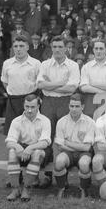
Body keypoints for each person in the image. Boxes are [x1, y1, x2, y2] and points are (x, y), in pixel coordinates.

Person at [37, 35, 81, 188]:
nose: (57, 50)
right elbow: (41, 85)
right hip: (48, 102)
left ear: (65, 48)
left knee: (64, 137)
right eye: (54, 47)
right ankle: (48, 176)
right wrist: (60, 83)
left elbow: (72, 87)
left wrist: (51, 84)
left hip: (65, 102)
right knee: (47, 137)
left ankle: (64, 176)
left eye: (60, 47)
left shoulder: (73, 65)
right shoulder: (45, 64)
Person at [5, 94, 52, 202]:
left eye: (33, 107)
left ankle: (26, 189)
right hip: (23, 148)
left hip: (41, 149)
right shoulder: (16, 121)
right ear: (24, 106)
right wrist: (17, 146)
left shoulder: (45, 120)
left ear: (38, 106)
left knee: (37, 153)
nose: (29, 110)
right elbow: (9, 141)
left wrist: (30, 148)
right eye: (27, 107)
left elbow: (45, 142)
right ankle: (15, 189)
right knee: (12, 151)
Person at [52, 93, 96, 199]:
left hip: (84, 153)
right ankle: (62, 188)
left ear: (82, 107)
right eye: (72, 106)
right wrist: (76, 146)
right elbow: (60, 147)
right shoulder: (61, 122)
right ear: (68, 106)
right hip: (67, 153)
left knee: (84, 163)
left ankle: (84, 189)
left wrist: (67, 143)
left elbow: (86, 148)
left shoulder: (90, 122)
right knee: (59, 161)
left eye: (77, 106)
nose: (74, 109)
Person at [1, 35, 41, 135]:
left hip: (30, 101)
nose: (18, 49)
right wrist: (10, 91)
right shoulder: (7, 63)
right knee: (12, 134)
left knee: (31, 133)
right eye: (16, 46)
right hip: (12, 101)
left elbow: (40, 83)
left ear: (27, 47)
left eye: (21, 46)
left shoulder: (36, 63)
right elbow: (4, 81)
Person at [79, 39, 106, 119]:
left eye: (101, 49)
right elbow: (83, 87)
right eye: (96, 49)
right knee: (90, 128)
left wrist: (92, 83)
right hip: (90, 101)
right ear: (93, 50)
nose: (98, 51)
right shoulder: (86, 67)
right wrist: (103, 91)